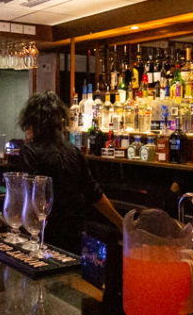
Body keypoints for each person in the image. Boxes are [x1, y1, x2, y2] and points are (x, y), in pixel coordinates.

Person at [17, 91, 123, 253]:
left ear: (32, 123)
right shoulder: (74, 152)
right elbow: (94, 193)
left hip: (45, 237)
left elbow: (32, 201)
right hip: (75, 237)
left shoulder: (30, 152)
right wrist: (121, 223)